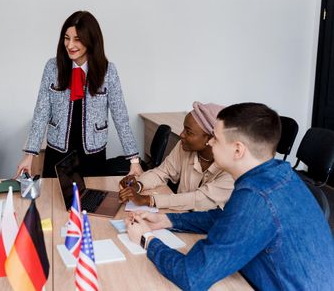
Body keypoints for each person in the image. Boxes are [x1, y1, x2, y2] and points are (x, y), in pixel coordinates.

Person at [126, 102, 334, 290]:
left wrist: (146, 239)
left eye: (216, 138)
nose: (210, 143)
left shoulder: (256, 198)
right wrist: (167, 219)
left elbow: (192, 276)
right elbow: (226, 218)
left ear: (237, 150)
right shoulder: (278, 175)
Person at [17, 11, 142, 177]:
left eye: (77, 39)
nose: (70, 45)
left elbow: (121, 117)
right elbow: (41, 113)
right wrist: (30, 155)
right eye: (66, 38)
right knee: (55, 201)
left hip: (92, 155)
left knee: (90, 201)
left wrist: (134, 160)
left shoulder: (108, 71)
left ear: (91, 40)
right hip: (58, 152)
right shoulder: (52, 67)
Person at [119, 102, 234, 211]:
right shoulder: (184, 146)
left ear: (210, 138)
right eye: (183, 128)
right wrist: (138, 185)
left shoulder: (232, 170)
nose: (181, 135)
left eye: (189, 132)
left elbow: (198, 199)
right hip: (179, 216)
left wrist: (149, 200)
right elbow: (162, 172)